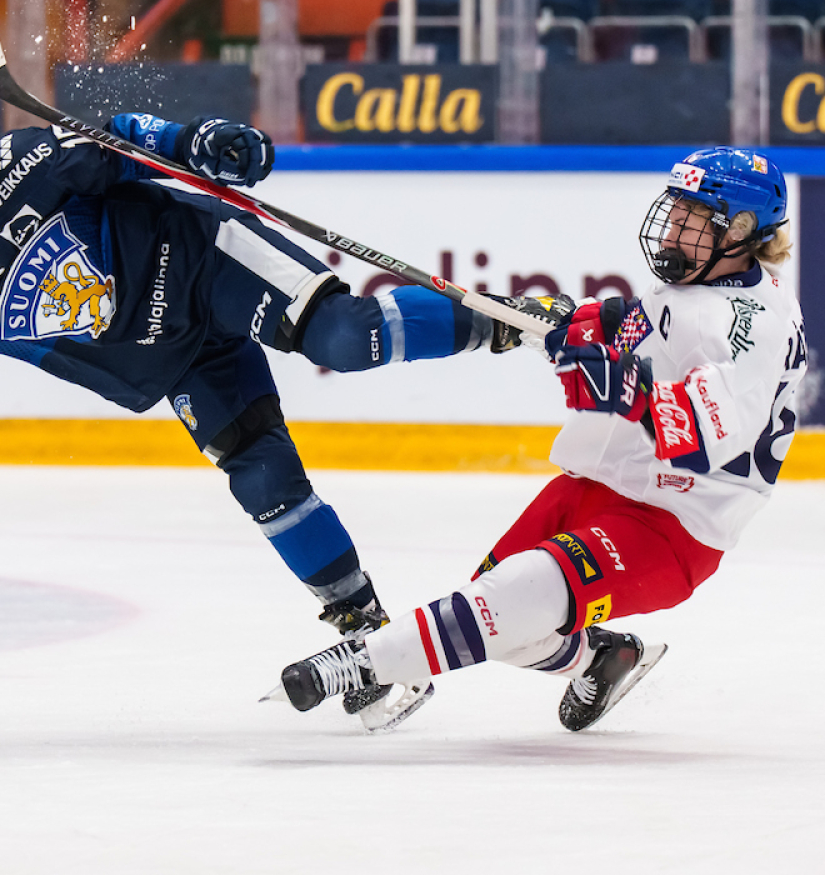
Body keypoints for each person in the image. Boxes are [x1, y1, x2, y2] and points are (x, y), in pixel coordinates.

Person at [0, 114, 561, 729]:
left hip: (205, 259)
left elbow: (118, 138)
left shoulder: (22, 165)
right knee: (262, 479)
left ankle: (513, 321)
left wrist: (198, 140)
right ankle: (364, 631)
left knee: (343, 337)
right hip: (174, 358)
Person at [272, 147, 808, 733]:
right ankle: (601, 659)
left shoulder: (751, 326)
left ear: (739, 230)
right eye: (674, 210)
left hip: (676, 524)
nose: (672, 227)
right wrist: (555, 320)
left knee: (509, 600)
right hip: (603, 486)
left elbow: (708, 436)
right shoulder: (707, 285)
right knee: (503, 615)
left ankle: (356, 666)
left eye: (692, 218)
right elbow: (637, 325)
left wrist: (626, 388)